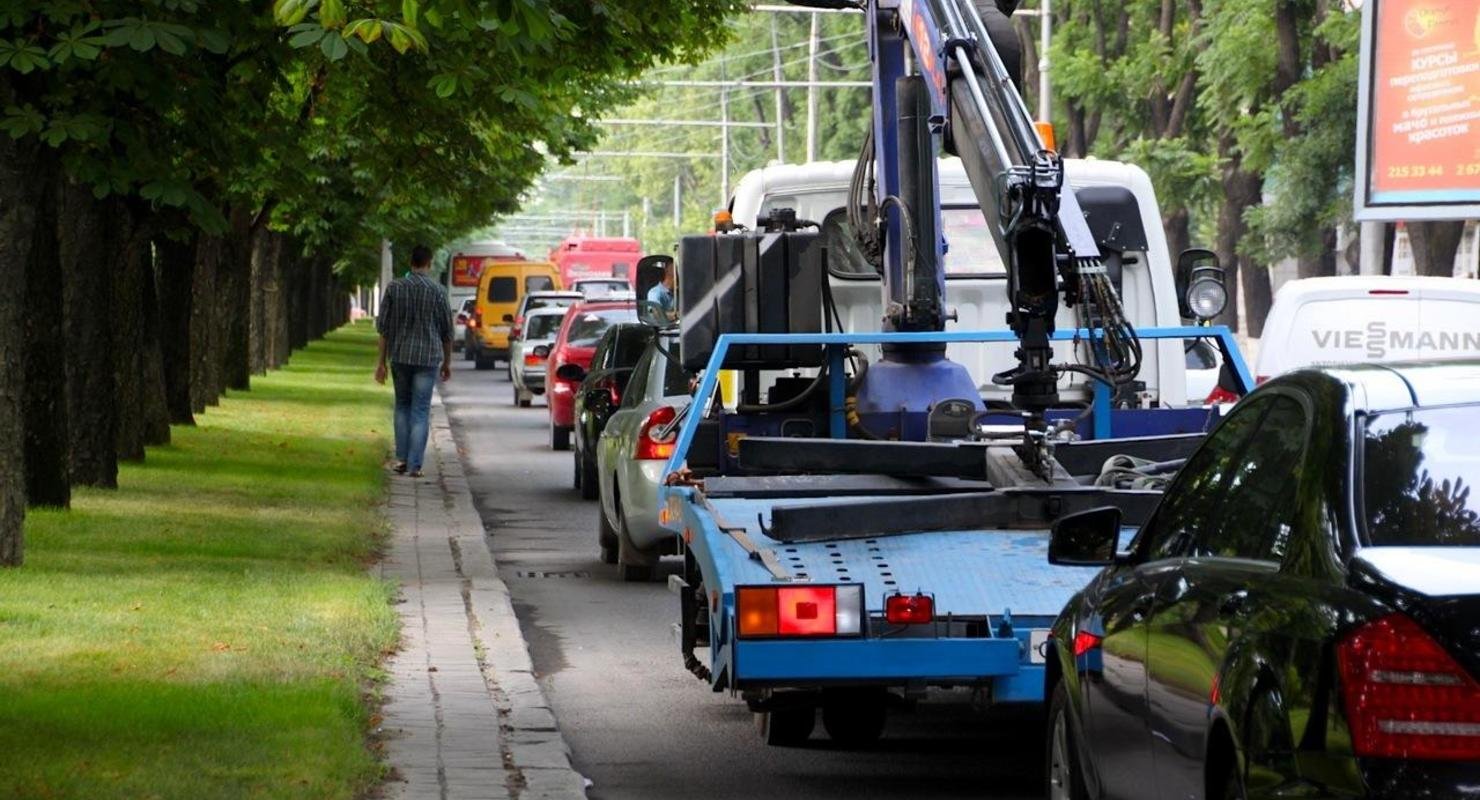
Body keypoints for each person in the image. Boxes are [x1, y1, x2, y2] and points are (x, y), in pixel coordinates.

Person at [375, 245, 453, 478]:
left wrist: (381, 362)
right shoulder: (438, 292)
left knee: (402, 406)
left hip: (400, 356)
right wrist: (447, 362)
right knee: (420, 410)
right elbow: (447, 332)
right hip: (427, 359)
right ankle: (415, 465)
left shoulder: (394, 288)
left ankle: (401, 459)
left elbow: (384, 329)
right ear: (428, 263)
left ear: (411, 262)